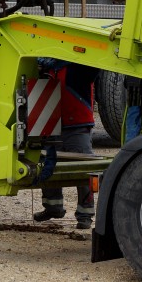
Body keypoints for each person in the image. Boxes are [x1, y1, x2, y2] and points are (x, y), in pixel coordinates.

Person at [32, 58, 99, 229]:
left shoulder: (80, 65)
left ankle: (85, 215)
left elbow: (96, 65)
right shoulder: (47, 67)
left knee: (84, 171)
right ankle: (53, 207)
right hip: (52, 125)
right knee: (48, 166)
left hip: (77, 126)